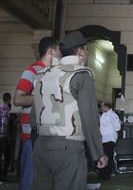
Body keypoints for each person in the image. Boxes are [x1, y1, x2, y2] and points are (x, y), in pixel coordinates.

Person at [31, 31, 108, 189]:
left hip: (40, 146)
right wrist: (98, 153)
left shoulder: (43, 74)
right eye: (86, 50)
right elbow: (90, 118)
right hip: (67, 148)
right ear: (80, 51)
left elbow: (34, 115)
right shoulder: (81, 74)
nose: (86, 54)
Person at [13, 36, 60, 190]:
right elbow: (18, 99)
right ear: (51, 51)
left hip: (49, 135)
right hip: (31, 137)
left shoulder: (55, 73)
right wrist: (43, 96)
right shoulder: (31, 71)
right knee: (29, 180)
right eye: (58, 50)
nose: (61, 54)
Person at [99, 101, 121, 180]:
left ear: (106, 106)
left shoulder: (113, 115)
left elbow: (118, 128)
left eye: (102, 106)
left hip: (109, 139)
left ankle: (106, 175)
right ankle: (102, 174)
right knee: (102, 156)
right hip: (102, 139)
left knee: (108, 157)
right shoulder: (103, 114)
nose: (101, 108)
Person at [0, 93, 11, 182]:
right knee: (7, 156)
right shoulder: (6, 108)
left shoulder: (0, 107)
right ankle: (2, 177)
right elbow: (4, 123)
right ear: (9, 99)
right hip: (3, 136)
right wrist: (8, 136)